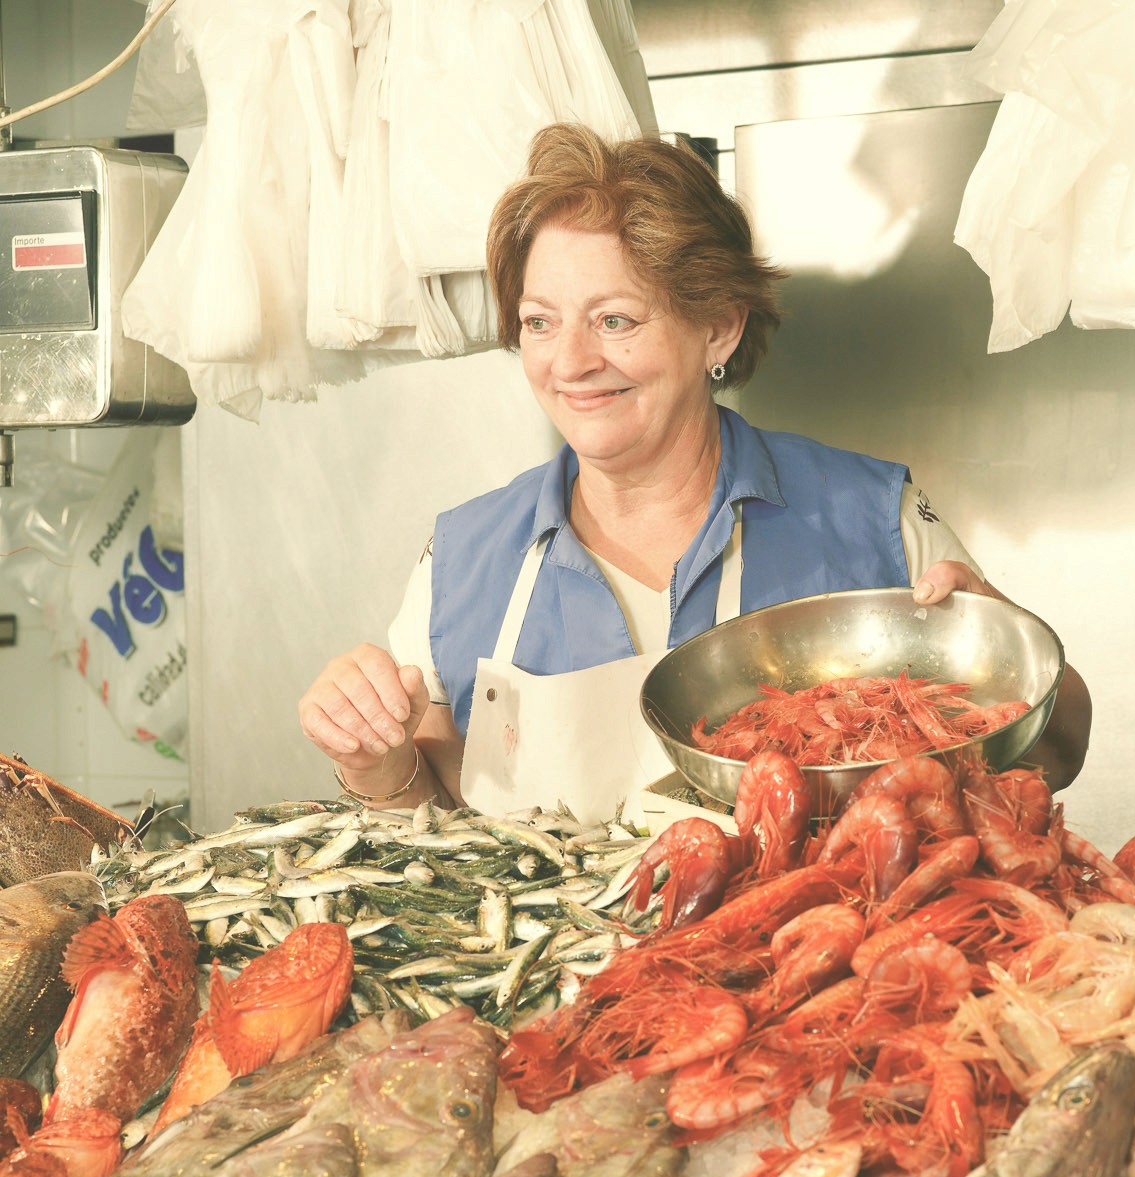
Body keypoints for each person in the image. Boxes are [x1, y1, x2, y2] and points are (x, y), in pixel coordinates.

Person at [300, 123, 1092, 818]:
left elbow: (1054, 757)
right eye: (540, 322)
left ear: (716, 328)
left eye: (614, 320)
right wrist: (375, 761)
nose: (570, 362)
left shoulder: (869, 516)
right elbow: (430, 820)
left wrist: (1013, 645)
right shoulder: (462, 558)